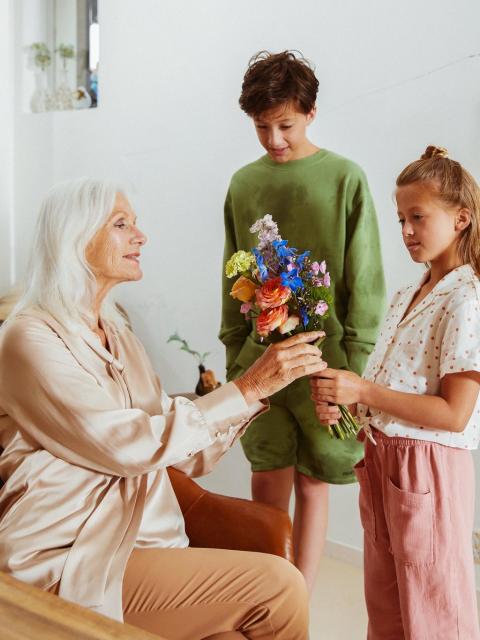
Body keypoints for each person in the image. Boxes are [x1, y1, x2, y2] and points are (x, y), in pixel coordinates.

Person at [0, 178, 328, 640]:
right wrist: (246, 385)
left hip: (144, 543)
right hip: (69, 553)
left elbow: (183, 455)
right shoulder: (28, 338)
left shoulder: (120, 337)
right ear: (75, 238)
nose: (141, 236)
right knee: (279, 587)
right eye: (121, 224)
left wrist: (258, 392)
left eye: (134, 223)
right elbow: (127, 445)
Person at [219, 50, 386, 592]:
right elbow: (232, 278)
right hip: (258, 363)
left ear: (310, 113)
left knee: (316, 484)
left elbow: (364, 284)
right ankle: (262, 599)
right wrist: (234, 362)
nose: (273, 139)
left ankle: (298, 605)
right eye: (261, 127)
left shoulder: (344, 178)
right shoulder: (243, 184)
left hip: (326, 363)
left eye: (284, 125)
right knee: (266, 478)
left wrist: (354, 374)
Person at [311, 146, 480, 639]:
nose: (405, 231)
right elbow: (392, 387)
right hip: (384, 458)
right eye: (401, 217)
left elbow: (454, 414)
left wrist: (362, 389)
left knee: (434, 611)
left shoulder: (467, 299)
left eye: (418, 217)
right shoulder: (409, 293)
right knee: (386, 607)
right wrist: (350, 403)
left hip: (427, 467)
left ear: (461, 218)